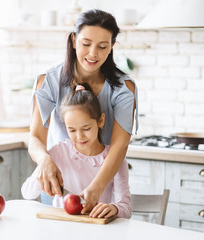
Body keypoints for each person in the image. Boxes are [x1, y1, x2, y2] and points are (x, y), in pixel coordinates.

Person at [28, 9, 138, 213]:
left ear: (112, 45)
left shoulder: (124, 88)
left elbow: (120, 146)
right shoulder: (48, 81)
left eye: (102, 46)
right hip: (57, 185)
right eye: (86, 44)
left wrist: (97, 187)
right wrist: (44, 160)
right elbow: (35, 137)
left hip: (102, 188)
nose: (93, 54)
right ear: (73, 40)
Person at [23, 84, 132, 219]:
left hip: (96, 228)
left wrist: (114, 208)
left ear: (101, 121)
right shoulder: (58, 153)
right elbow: (27, 194)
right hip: (61, 227)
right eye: (72, 130)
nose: (79, 137)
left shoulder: (114, 159)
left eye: (86, 128)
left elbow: (126, 208)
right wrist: (43, 168)